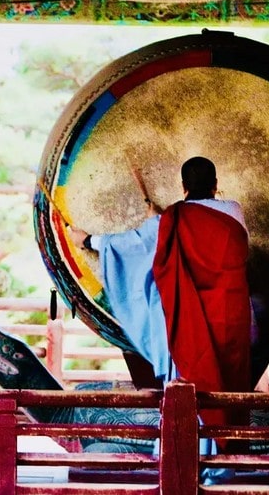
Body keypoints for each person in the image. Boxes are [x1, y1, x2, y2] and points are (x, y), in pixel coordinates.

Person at [68, 156, 252, 430]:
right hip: (229, 320)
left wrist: (86, 240)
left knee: (190, 383)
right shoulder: (233, 211)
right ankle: (225, 459)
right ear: (216, 185)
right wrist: (162, 222)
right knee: (228, 387)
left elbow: (132, 244)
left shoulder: (171, 221)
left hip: (189, 324)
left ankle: (188, 452)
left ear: (182, 186)